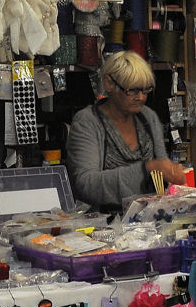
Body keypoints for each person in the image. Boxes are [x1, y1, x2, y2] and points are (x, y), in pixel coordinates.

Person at [66, 51, 186, 212]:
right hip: (103, 225)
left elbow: (161, 171)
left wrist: (172, 174)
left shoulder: (148, 117)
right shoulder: (88, 122)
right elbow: (85, 185)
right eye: (133, 90)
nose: (141, 98)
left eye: (145, 90)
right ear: (109, 83)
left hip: (149, 221)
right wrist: (146, 169)